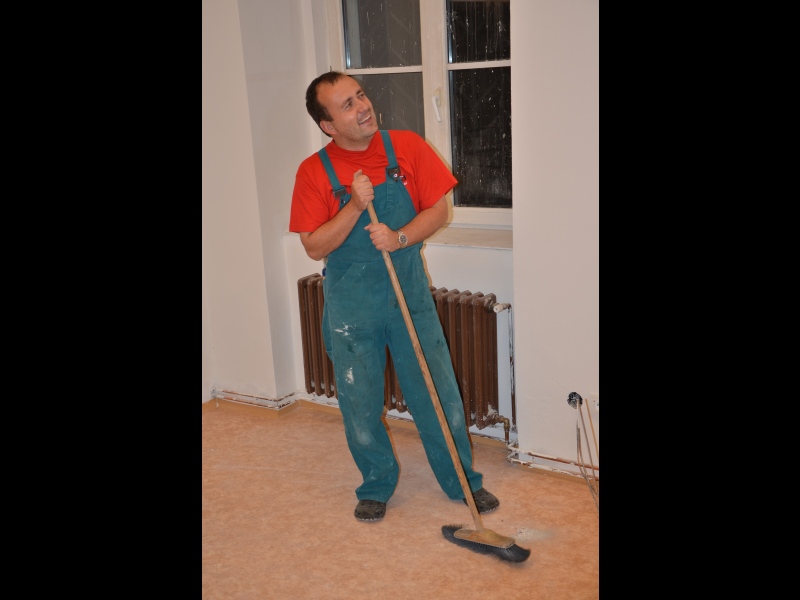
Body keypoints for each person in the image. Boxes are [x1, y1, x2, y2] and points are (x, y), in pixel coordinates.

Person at [290, 71, 499, 522]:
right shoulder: (313, 172)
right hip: (351, 303)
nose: (363, 106)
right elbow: (313, 246)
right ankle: (376, 483)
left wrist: (400, 237)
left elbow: (438, 209)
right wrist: (353, 206)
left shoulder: (405, 146)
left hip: (408, 291)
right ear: (328, 125)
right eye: (347, 105)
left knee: (436, 388)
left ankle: (462, 480)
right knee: (359, 399)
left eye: (360, 95)